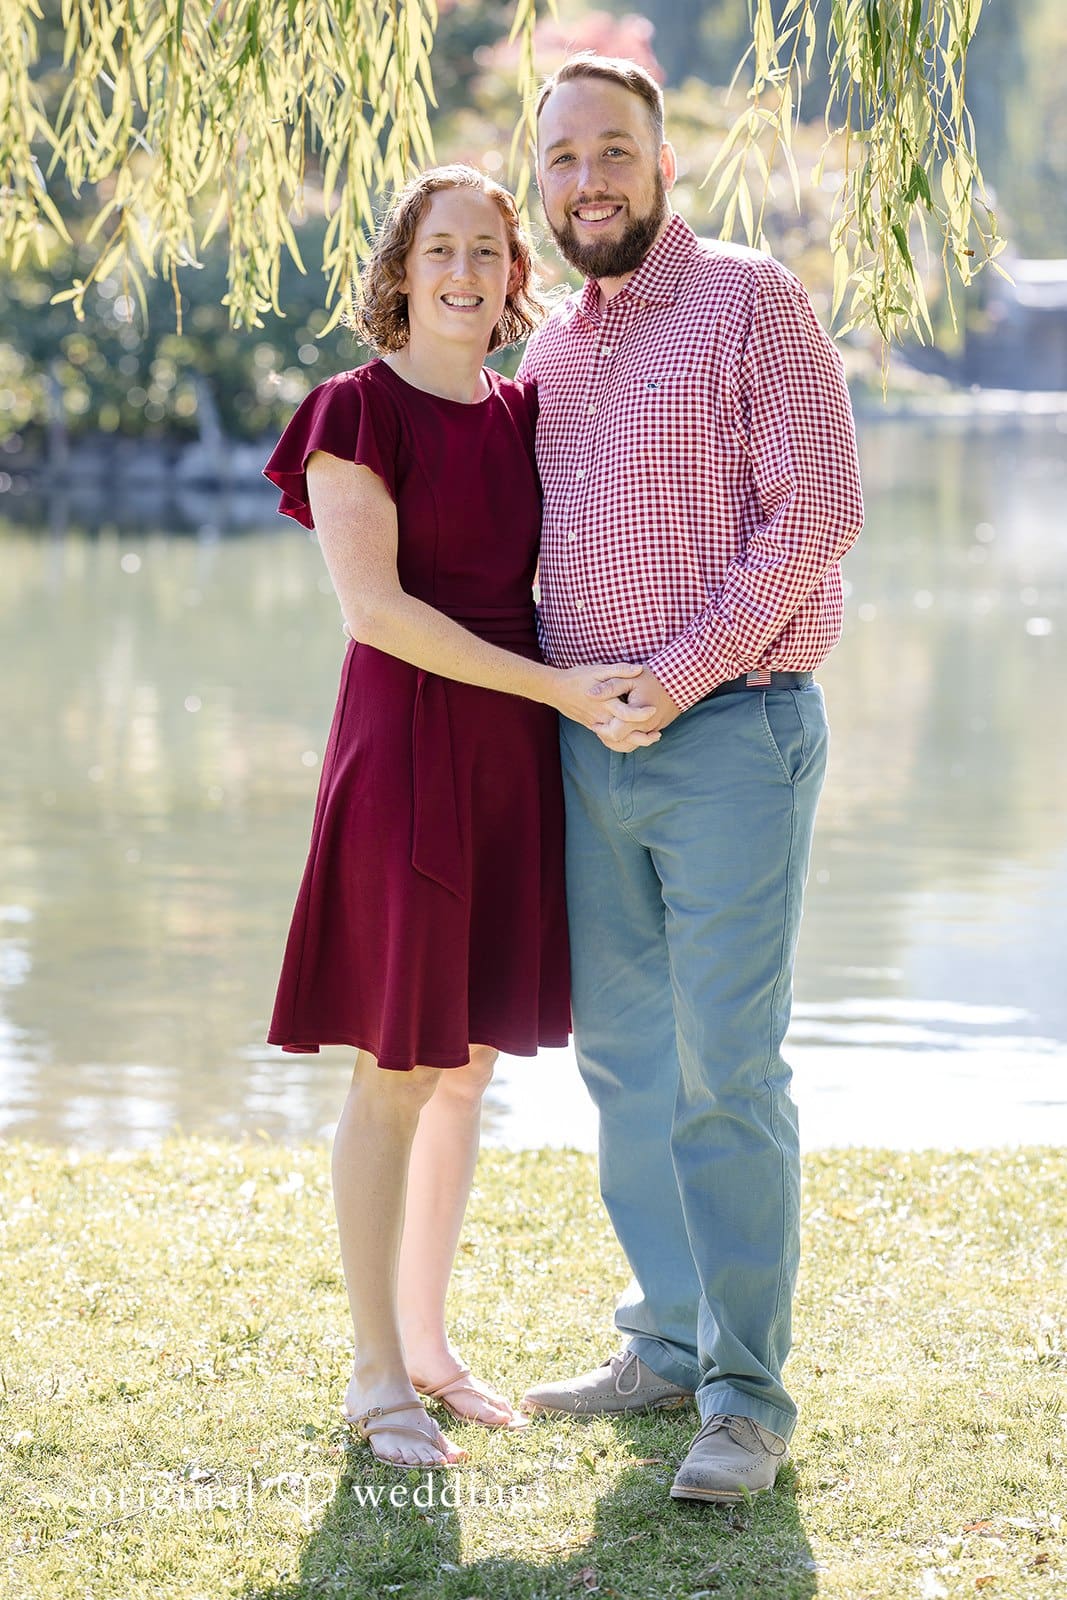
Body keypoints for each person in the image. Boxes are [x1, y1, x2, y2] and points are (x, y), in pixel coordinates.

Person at [262, 165, 655, 1471]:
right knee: (398, 1064)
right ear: (400, 268)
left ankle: (430, 1351)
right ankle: (375, 1378)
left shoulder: (522, 413)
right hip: (407, 749)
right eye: (442, 249)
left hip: (503, 757)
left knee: (469, 1062)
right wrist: (562, 690)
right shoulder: (352, 415)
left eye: (488, 250)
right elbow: (376, 612)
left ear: (509, 277)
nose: (466, 272)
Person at [516, 56, 865, 1503]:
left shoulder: (752, 304)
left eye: (613, 154)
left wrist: (678, 676)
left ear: (666, 170)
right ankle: (667, 1337)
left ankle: (745, 1398)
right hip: (589, 755)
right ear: (543, 187)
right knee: (625, 1063)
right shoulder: (547, 354)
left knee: (729, 1073)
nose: (588, 181)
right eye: (562, 161)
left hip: (734, 740)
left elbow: (814, 523)